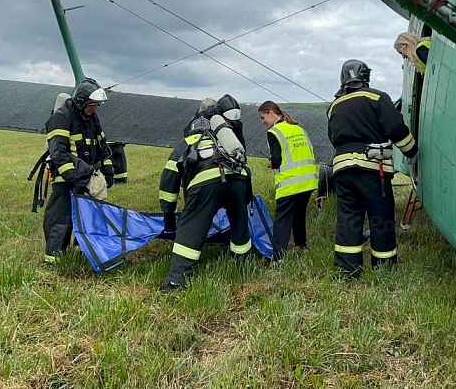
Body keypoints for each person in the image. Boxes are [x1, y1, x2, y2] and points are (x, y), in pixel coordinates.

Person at [327, 59, 418, 278]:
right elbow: (396, 128)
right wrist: (412, 151)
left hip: (342, 170)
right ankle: (384, 269)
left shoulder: (333, 107)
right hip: (372, 169)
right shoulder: (377, 97)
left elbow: (334, 138)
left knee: (348, 219)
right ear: (366, 77)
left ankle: (347, 270)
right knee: (380, 218)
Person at [158, 96, 251, 291]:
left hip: (208, 184)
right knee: (239, 222)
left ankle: (178, 280)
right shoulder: (225, 139)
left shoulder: (186, 143)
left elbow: (169, 185)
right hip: (239, 179)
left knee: (191, 226)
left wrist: (169, 215)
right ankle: (242, 265)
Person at [43, 78, 114, 263]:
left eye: (97, 105)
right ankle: (54, 258)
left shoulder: (91, 118)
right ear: (81, 101)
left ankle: (84, 252)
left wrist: (107, 171)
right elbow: (58, 152)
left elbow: (101, 146)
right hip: (66, 180)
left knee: (89, 218)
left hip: (87, 177)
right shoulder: (61, 117)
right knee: (61, 219)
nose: (95, 108)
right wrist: (73, 178)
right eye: (92, 104)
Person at [258, 100, 318, 260]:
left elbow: (276, 160)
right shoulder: (298, 128)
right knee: (299, 215)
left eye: (263, 117)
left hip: (290, 182)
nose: (262, 122)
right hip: (308, 180)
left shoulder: (274, 132)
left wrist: (271, 164)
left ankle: (277, 257)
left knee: (282, 220)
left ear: (271, 113)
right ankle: (301, 246)